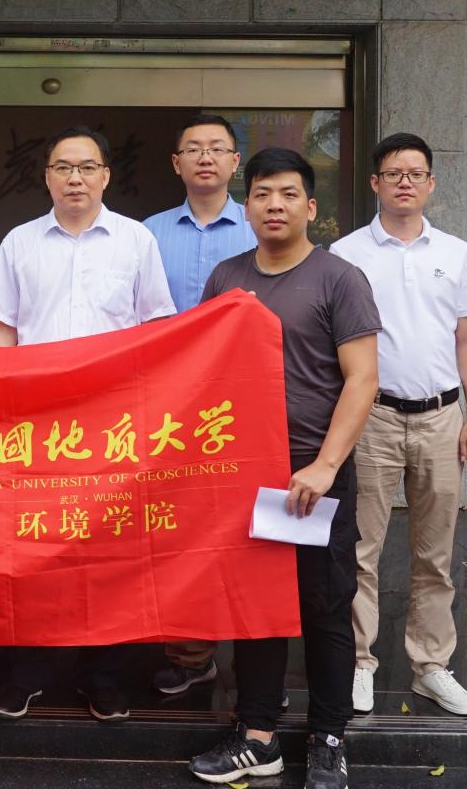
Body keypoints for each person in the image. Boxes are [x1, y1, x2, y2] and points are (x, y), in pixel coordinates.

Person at [187, 148, 379, 789]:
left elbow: (363, 380)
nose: (275, 205)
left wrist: (325, 465)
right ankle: (258, 735)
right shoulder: (227, 277)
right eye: (264, 194)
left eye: (289, 194)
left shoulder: (339, 278)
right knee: (255, 607)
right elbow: (204, 371)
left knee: (325, 607)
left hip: (312, 473)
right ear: (247, 207)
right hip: (246, 473)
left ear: (311, 207)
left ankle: (328, 737)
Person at [0, 126, 176, 723]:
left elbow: (155, 329)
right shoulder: (20, 242)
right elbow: (3, 328)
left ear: (106, 176)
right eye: (63, 167)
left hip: (113, 424)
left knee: (109, 552)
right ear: (46, 177)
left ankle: (104, 676)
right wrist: (1, 406)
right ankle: (29, 672)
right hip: (38, 424)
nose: (75, 179)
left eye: (87, 167)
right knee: (35, 549)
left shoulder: (136, 240)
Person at [330, 133, 467, 719]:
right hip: (371, 416)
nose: (405, 182)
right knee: (361, 548)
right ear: (375, 183)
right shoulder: (345, 253)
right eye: (394, 173)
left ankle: (431, 666)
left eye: (415, 173)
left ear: (430, 184)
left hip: (443, 416)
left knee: (435, 553)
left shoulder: (456, 252)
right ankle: (359, 662)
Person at [143, 114, 255, 695]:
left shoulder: (261, 226)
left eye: (217, 149)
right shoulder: (146, 233)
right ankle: (189, 653)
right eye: (193, 149)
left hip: (243, 402)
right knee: (176, 528)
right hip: (167, 405)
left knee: (238, 528)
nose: (205, 157)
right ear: (176, 163)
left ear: (236, 161)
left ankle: (253, 653)